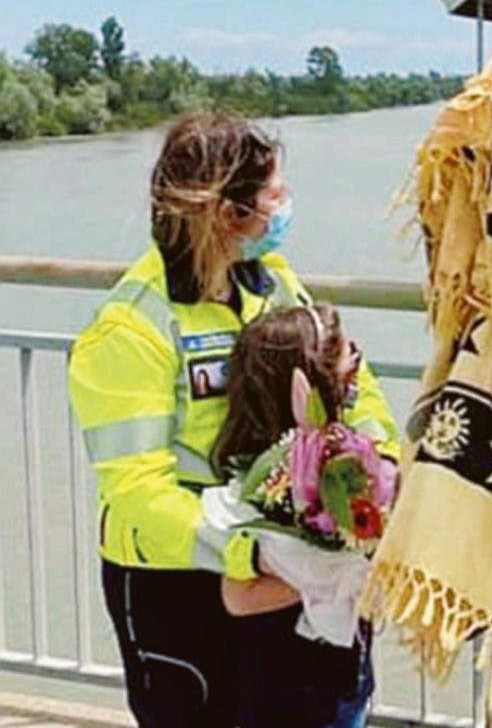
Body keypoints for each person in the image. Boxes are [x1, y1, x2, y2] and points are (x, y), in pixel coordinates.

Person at [67, 112, 398, 727]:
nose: (286, 205)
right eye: (275, 195)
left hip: (279, 562)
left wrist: (377, 476)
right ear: (227, 212)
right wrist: (248, 551)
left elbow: (352, 389)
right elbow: (137, 492)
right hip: (182, 582)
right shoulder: (133, 328)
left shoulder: (272, 286)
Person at [211, 305, 378, 728]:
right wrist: (333, 577)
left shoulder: (342, 465)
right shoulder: (256, 491)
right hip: (286, 690)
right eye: (351, 362)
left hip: (340, 677)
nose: (356, 374)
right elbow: (238, 597)